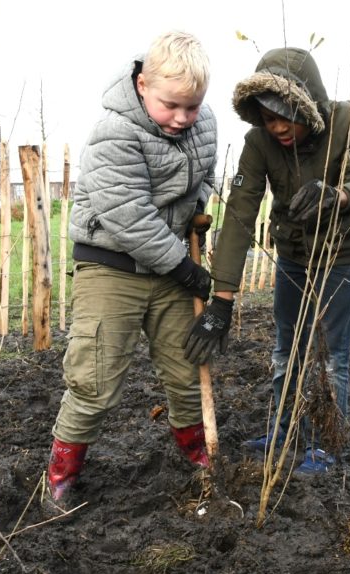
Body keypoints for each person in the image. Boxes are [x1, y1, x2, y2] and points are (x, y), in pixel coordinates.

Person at [183, 47, 350, 474]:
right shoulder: (259, 144)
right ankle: (283, 427)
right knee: (286, 348)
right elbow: (240, 213)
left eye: (284, 117)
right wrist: (222, 300)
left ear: (307, 104)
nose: (276, 127)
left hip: (338, 256)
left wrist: (338, 195)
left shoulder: (347, 122)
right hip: (292, 257)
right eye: (267, 118)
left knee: (331, 354)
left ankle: (327, 442)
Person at [45, 32, 218, 507]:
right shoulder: (113, 132)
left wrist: (199, 212)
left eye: (193, 107)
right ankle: (61, 475)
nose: (183, 118)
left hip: (172, 269)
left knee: (186, 368)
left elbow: (205, 176)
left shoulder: (204, 126)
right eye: (171, 105)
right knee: (94, 377)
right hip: (112, 267)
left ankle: (200, 457)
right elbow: (128, 215)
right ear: (142, 85)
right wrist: (184, 268)